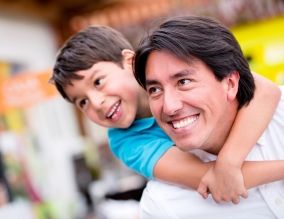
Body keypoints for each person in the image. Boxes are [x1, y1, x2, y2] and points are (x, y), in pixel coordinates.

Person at [50, 25, 283, 205]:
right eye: (82, 102)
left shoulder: (166, 60)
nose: (97, 103)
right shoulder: (126, 140)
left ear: (130, 62)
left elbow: (264, 90)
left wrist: (230, 160)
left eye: (98, 81)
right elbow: (211, 177)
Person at [134, 15, 284, 218]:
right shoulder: (163, 205)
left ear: (230, 83)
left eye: (184, 82)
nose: (169, 107)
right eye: (155, 89)